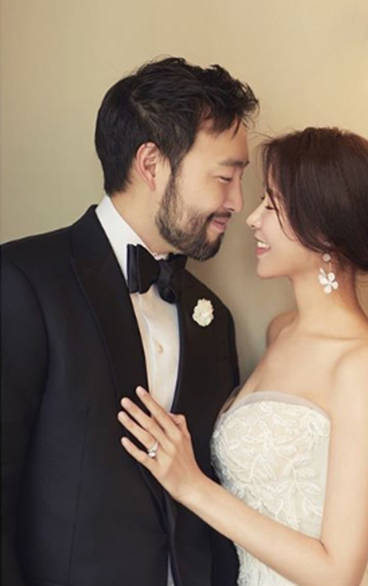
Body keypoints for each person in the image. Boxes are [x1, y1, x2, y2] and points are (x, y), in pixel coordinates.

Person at [118, 127, 368, 585]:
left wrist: (192, 486)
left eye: (272, 205)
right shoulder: (280, 331)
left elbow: (338, 572)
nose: (251, 219)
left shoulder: (363, 363)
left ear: (323, 230)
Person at [1, 57, 258, 586]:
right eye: (224, 176)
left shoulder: (213, 319)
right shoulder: (24, 281)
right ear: (151, 164)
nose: (237, 201)